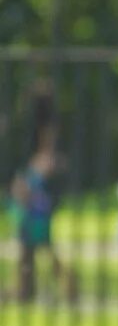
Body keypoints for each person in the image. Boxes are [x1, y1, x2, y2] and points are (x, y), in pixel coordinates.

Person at [10, 84, 75, 301]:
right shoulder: (46, 126)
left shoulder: (46, 127)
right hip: (39, 191)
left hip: (37, 191)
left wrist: (28, 181)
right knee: (34, 244)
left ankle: (63, 287)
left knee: (39, 243)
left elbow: (46, 158)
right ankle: (27, 288)